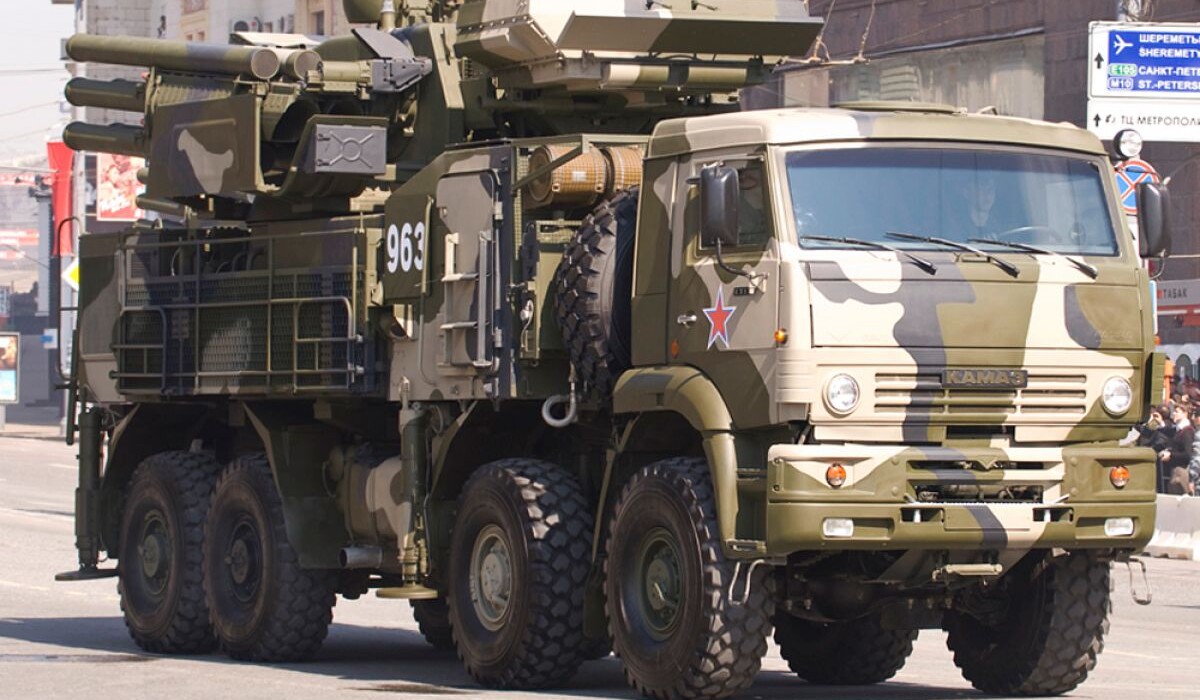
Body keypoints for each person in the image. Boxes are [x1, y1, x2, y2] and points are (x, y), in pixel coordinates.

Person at [1162, 404, 1194, 495]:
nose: (1174, 414)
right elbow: (1165, 430)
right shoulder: (1178, 430)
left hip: (1181, 471)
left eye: (1177, 412)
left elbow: (1187, 455)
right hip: (1175, 471)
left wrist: (1170, 455)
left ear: (1185, 413)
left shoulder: (1187, 431)